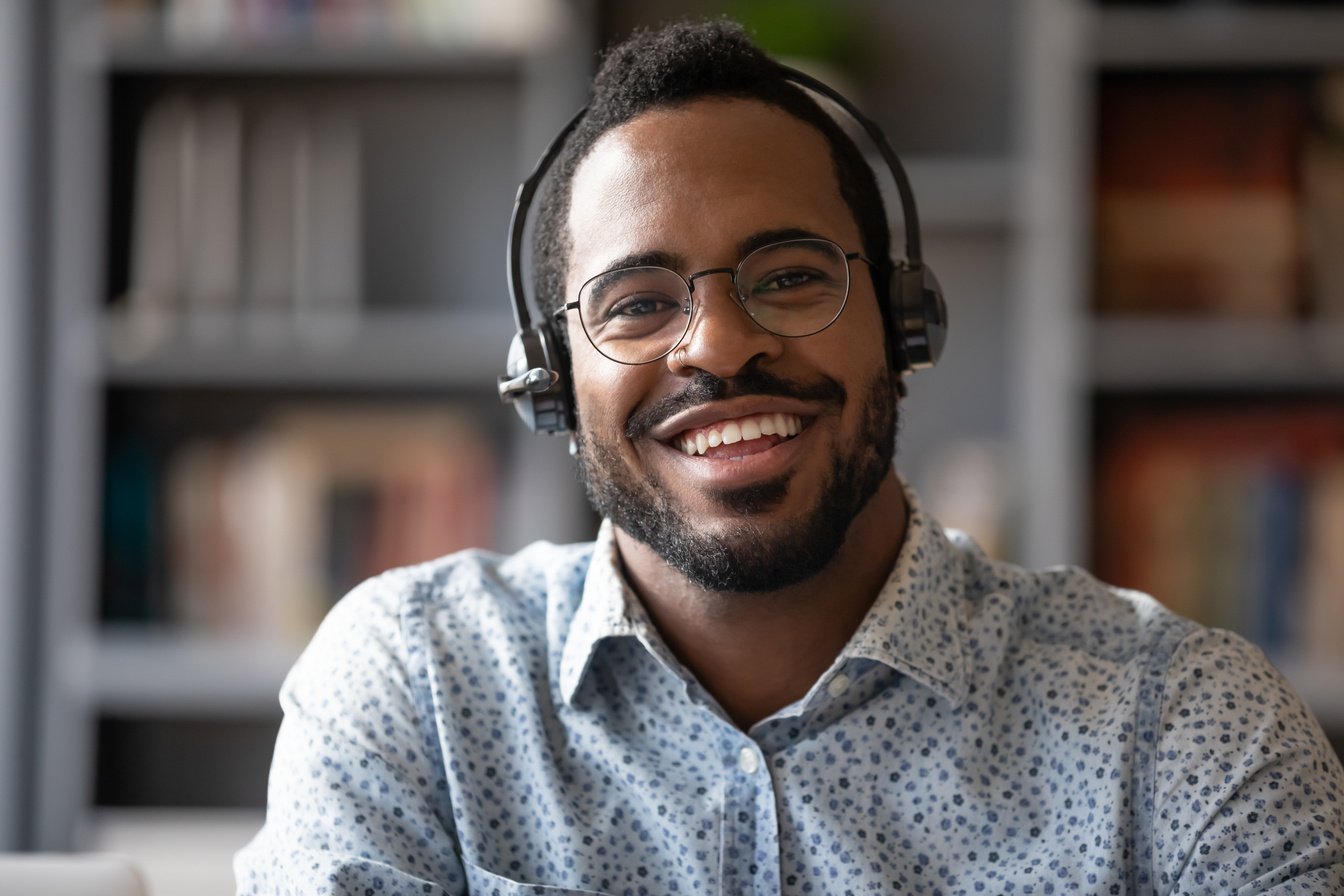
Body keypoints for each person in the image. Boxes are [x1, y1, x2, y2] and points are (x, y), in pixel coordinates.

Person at [236, 20, 1344, 895]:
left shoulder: (1184, 726)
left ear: (903, 327)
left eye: (794, 275)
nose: (718, 343)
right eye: (636, 303)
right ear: (551, 379)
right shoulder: (416, 689)